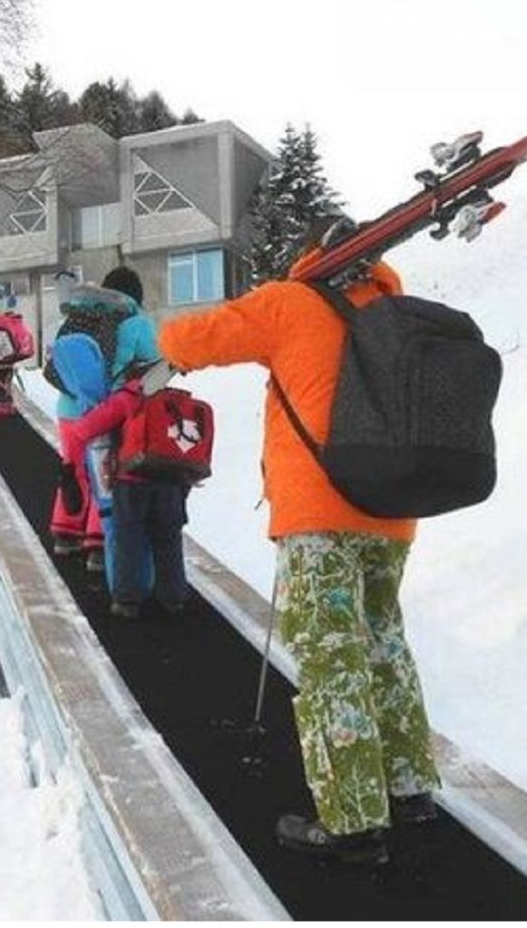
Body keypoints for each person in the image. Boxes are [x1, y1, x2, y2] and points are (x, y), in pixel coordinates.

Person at [156, 220, 439, 866]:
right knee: (384, 644)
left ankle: (353, 821)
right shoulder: (391, 308)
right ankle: (410, 786)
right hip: (392, 509)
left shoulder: (292, 301)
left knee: (331, 655)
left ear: (311, 254)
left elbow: (196, 338)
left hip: (318, 512)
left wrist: (159, 342)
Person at [48, 266, 160, 573]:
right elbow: (154, 364)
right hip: (106, 411)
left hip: (69, 409)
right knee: (105, 473)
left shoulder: (81, 312)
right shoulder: (136, 321)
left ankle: (65, 532)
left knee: (73, 468)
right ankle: (98, 545)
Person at [63, 375, 191, 619]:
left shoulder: (127, 397)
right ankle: (174, 598)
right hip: (171, 481)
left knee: (127, 539)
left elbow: (84, 429)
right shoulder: (172, 399)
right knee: (168, 540)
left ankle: (126, 601)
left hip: (133, 480)